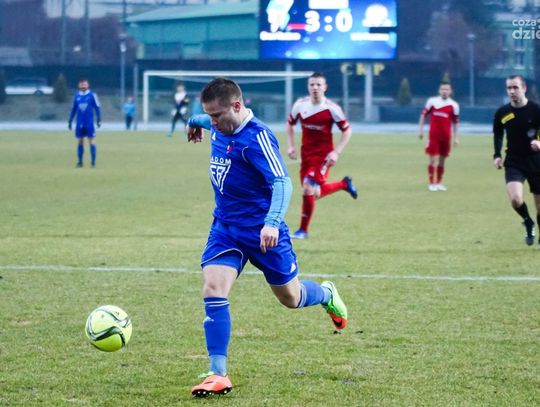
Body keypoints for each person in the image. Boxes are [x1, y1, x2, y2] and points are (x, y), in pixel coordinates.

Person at [185, 77, 348, 398]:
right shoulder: (218, 123)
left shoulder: (257, 137)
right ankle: (218, 374)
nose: (212, 122)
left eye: (216, 116)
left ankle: (326, 294)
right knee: (213, 288)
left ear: (237, 106)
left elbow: (282, 182)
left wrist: (272, 223)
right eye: (209, 116)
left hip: (264, 234)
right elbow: (203, 119)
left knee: (291, 298)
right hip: (226, 229)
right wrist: (193, 122)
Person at [286, 72, 358, 240]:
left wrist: (336, 152)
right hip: (306, 154)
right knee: (314, 194)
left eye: (319, 84)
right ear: (308, 87)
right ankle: (344, 184)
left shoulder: (332, 108)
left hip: (323, 156)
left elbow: (347, 131)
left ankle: (303, 231)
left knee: (307, 188)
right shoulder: (300, 105)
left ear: (325, 87)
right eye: (312, 84)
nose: (315, 88)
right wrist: (290, 145)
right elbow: (290, 124)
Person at [493, 74, 540, 246]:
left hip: (536, 161)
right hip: (514, 161)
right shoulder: (502, 112)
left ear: (524, 88)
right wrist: (497, 155)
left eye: (515, 87)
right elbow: (498, 134)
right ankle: (528, 221)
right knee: (515, 199)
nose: (512, 91)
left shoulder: (536, 109)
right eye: (509, 88)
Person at [418, 81, 460, 191]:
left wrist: (456, 138)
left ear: (450, 91)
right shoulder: (432, 102)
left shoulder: (454, 105)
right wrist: (420, 130)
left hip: (446, 137)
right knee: (433, 159)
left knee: (442, 160)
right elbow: (423, 115)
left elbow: (456, 123)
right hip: (434, 136)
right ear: (439, 90)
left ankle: (439, 182)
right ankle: (432, 183)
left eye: (447, 89)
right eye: (442, 89)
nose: (444, 91)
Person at [68, 78, 101, 168]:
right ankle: (80, 162)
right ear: (79, 85)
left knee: (91, 141)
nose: (83, 86)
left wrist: (99, 119)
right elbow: (73, 109)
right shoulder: (76, 96)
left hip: (89, 123)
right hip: (79, 124)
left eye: (85, 84)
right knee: (80, 141)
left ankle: (93, 162)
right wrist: (70, 120)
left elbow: (97, 107)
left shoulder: (92, 95)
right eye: (81, 84)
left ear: (88, 85)